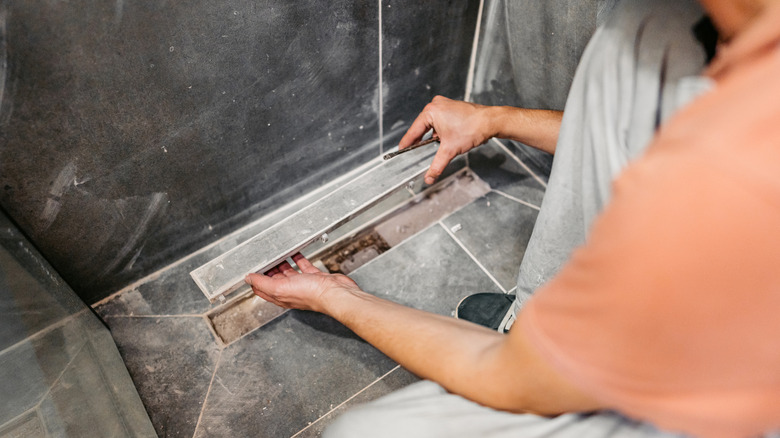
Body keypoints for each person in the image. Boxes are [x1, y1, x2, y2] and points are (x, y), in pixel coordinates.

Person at [245, 0, 780, 436]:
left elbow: (503, 375)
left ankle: (554, 336)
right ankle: (538, 313)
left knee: (362, 434)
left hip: (720, 413)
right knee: (640, 29)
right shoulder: (711, 39)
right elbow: (637, 141)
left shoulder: (736, 180)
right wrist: (493, 118)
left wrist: (340, 297)